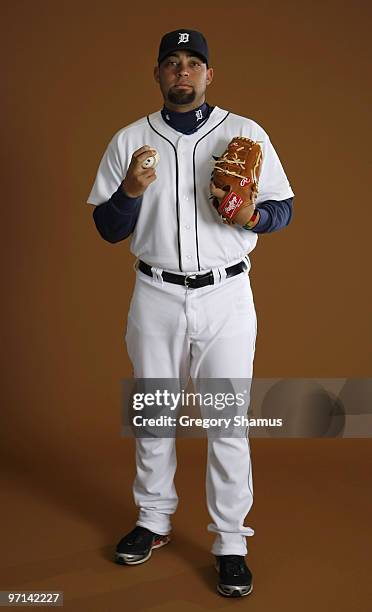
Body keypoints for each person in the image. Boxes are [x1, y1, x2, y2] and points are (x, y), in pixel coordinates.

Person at [86, 28, 295, 598]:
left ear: (209, 75)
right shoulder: (129, 139)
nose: (183, 71)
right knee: (153, 413)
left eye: (193, 63)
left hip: (226, 295)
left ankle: (231, 541)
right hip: (154, 293)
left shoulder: (245, 132)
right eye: (172, 63)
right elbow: (107, 229)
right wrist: (129, 189)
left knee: (227, 419)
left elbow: (284, 209)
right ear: (157, 74)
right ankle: (153, 520)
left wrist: (252, 216)